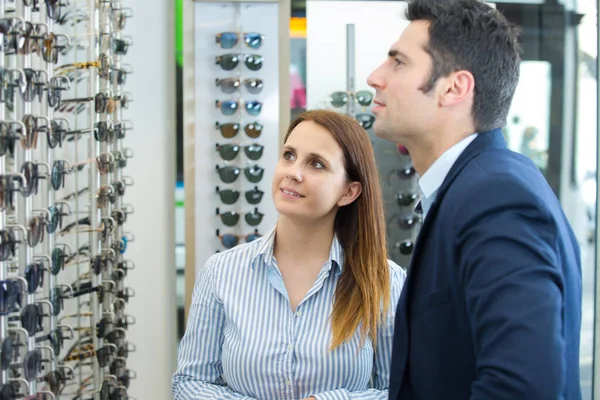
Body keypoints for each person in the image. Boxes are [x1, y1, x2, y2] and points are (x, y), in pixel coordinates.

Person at [366, 0, 582, 399]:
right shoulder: (474, 186)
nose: (374, 77)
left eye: (398, 62)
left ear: (454, 88)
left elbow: (524, 387)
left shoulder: (496, 197)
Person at [172, 110, 406, 399]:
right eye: (288, 155)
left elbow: (400, 391)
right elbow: (189, 383)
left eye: (316, 164)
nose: (293, 173)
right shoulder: (221, 272)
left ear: (349, 191)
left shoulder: (384, 282)